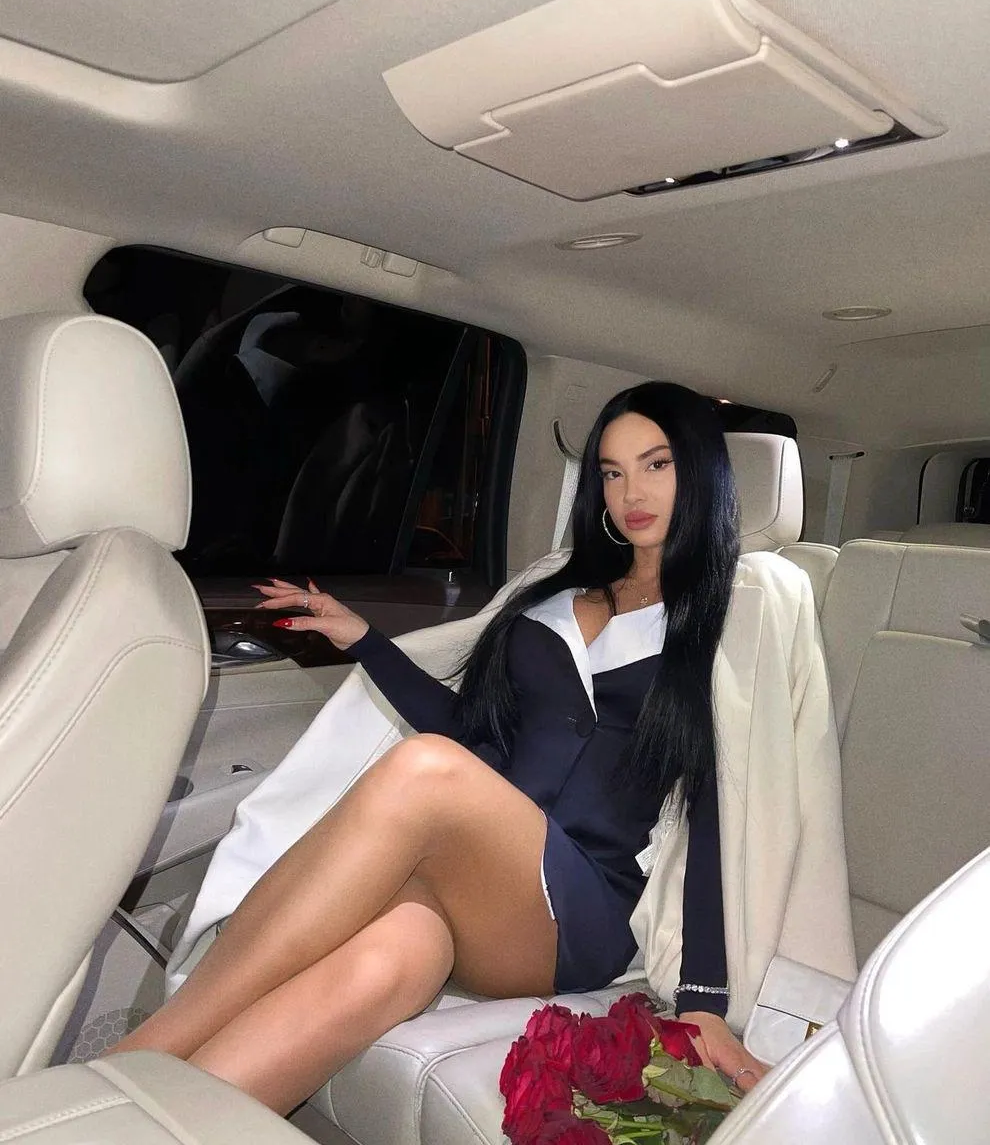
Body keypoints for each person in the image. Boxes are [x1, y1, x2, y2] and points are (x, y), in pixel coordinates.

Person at [109, 381, 827, 1112]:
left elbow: (722, 812)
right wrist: (366, 642)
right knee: (394, 960)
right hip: (488, 886)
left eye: (657, 465)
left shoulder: (732, 613)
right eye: (611, 472)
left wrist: (702, 999)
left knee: (427, 771)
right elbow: (474, 738)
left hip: (583, 912)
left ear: (700, 468)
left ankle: (136, 1056)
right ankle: (136, 1119)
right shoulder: (556, 587)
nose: (630, 493)